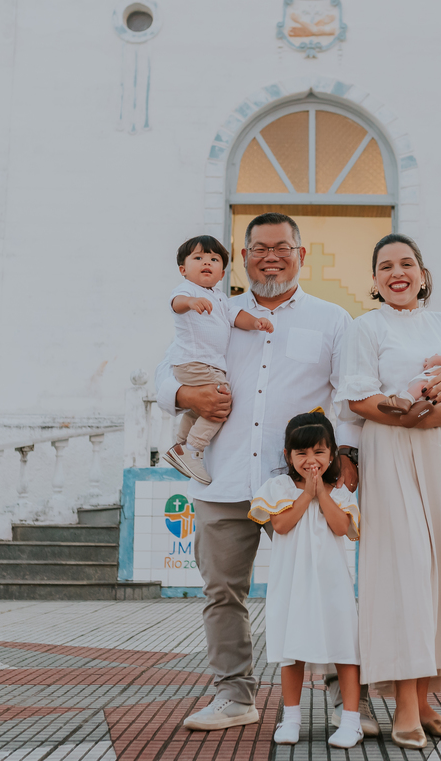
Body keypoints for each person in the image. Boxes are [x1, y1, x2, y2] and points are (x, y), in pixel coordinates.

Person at [154, 213, 378, 736]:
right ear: (244, 255)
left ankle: (347, 705)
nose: (269, 256)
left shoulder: (331, 320)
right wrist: (187, 396)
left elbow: (349, 396)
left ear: (302, 254)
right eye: (258, 248)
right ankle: (234, 697)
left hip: (299, 485)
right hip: (223, 479)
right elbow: (169, 371)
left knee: (326, 587)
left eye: (281, 247)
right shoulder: (215, 311)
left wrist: (349, 455)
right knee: (222, 593)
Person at [335, 234, 441, 749]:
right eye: (385, 265)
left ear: (423, 275)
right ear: (375, 280)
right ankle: (404, 705)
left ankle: (427, 700)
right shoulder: (365, 328)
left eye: (406, 263)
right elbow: (357, 398)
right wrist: (414, 419)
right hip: (393, 452)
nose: (397, 272)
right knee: (404, 573)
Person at [248, 412, 363, 749]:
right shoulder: (278, 487)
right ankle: (292, 718)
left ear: (331, 456)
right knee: (292, 650)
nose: (310, 460)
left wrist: (322, 492)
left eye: (318, 452)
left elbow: (342, 528)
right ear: (288, 456)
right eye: (301, 453)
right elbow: (281, 526)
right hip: (292, 583)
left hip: (333, 583)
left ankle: (352, 721)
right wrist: (307, 495)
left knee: (344, 647)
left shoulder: (339, 491)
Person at [163, 235, 274, 484]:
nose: (207, 262)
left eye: (214, 259)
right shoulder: (188, 291)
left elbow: (237, 316)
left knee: (200, 407)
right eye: (199, 257)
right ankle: (192, 449)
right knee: (220, 401)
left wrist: (256, 323)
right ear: (183, 269)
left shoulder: (220, 298)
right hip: (194, 362)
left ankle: (179, 445)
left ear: (222, 273)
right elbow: (176, 303)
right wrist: (191, 302)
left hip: (206, 364)